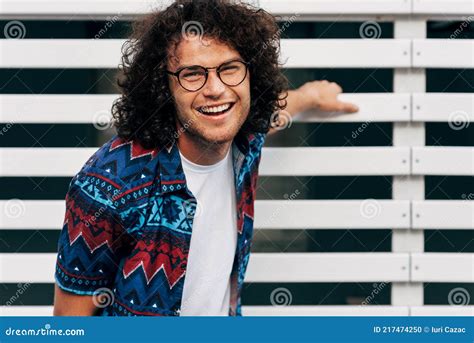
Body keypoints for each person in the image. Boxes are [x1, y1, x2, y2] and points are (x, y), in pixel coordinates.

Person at [53, 0, 358, 316]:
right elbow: (69, 323)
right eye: (192, 74)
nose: (216, 89)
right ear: (164, 86)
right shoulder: (107, 185)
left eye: (229, 69)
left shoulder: (244, 141)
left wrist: (311, 95)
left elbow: (275, 110)